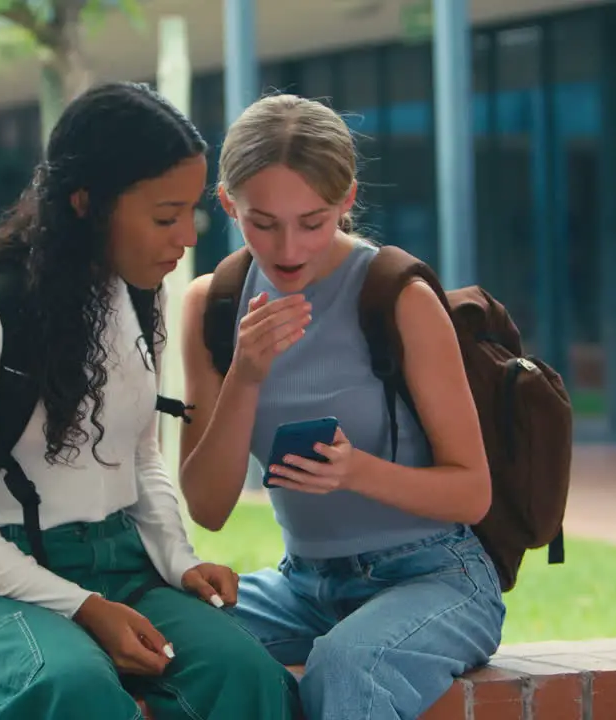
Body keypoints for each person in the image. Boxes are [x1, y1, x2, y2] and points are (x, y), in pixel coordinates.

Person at [0, 82, 301, 720]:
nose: (184, 236)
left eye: (189, 214)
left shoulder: (135, 294)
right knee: (77, 690)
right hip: (4, 583)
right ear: (87, 203)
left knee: (247, 677)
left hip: (128, 566)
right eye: (163, 215)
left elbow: (139, 456)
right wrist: (85, 608)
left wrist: (179, 563)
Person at [178, 93, 507, 720]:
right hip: (303, 583)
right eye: (262, 222)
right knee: (167, 636)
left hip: (434, 576)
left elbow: (472, 493)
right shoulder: (213, 305)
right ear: (227, 203)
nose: (290, 247)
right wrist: (245, 375)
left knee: (350, 665)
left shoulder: (396, 296)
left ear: (348, 200)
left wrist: (355, 471)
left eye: (313, 220)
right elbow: (208, 507)